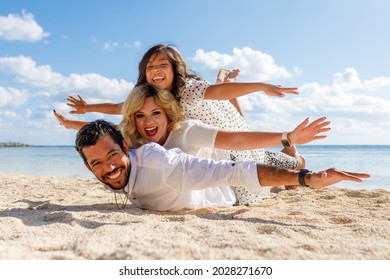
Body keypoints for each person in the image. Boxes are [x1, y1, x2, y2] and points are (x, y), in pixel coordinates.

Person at [56, 44, 303, 204]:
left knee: (251, 192)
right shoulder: (147, 97)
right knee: (247, 159)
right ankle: (288, 156)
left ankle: (296, 160)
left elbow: (220, 94)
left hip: (226, 132)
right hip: (212, 138)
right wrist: (86, 110)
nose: (156, 70)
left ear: (175, 69)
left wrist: (260, 86)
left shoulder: (188, 89)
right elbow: (118, 113)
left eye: (163, 65)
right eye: (150, 67)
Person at [75, 119, 370, 212]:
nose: (109, 168)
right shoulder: (114, 167)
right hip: (228, 169)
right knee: (281, 174)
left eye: (113, 156)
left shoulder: (161, 165)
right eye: (98, 163)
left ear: (126, 147)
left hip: (237, 187)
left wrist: (307, 178)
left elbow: (233, 172)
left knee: (286, 169)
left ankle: (296, 156)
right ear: (89, 167)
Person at [119, 84, 330, 199]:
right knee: (271, 174)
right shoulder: (135, 139)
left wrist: (287, 136)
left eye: (155, 113)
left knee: (271, 167)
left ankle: (296, 160)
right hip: (222, 174)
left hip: (233, 160)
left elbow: (237, 140)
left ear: (167, 114)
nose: (148, 122)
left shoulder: (187, 131)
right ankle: (289, 158)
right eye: (139, 115)